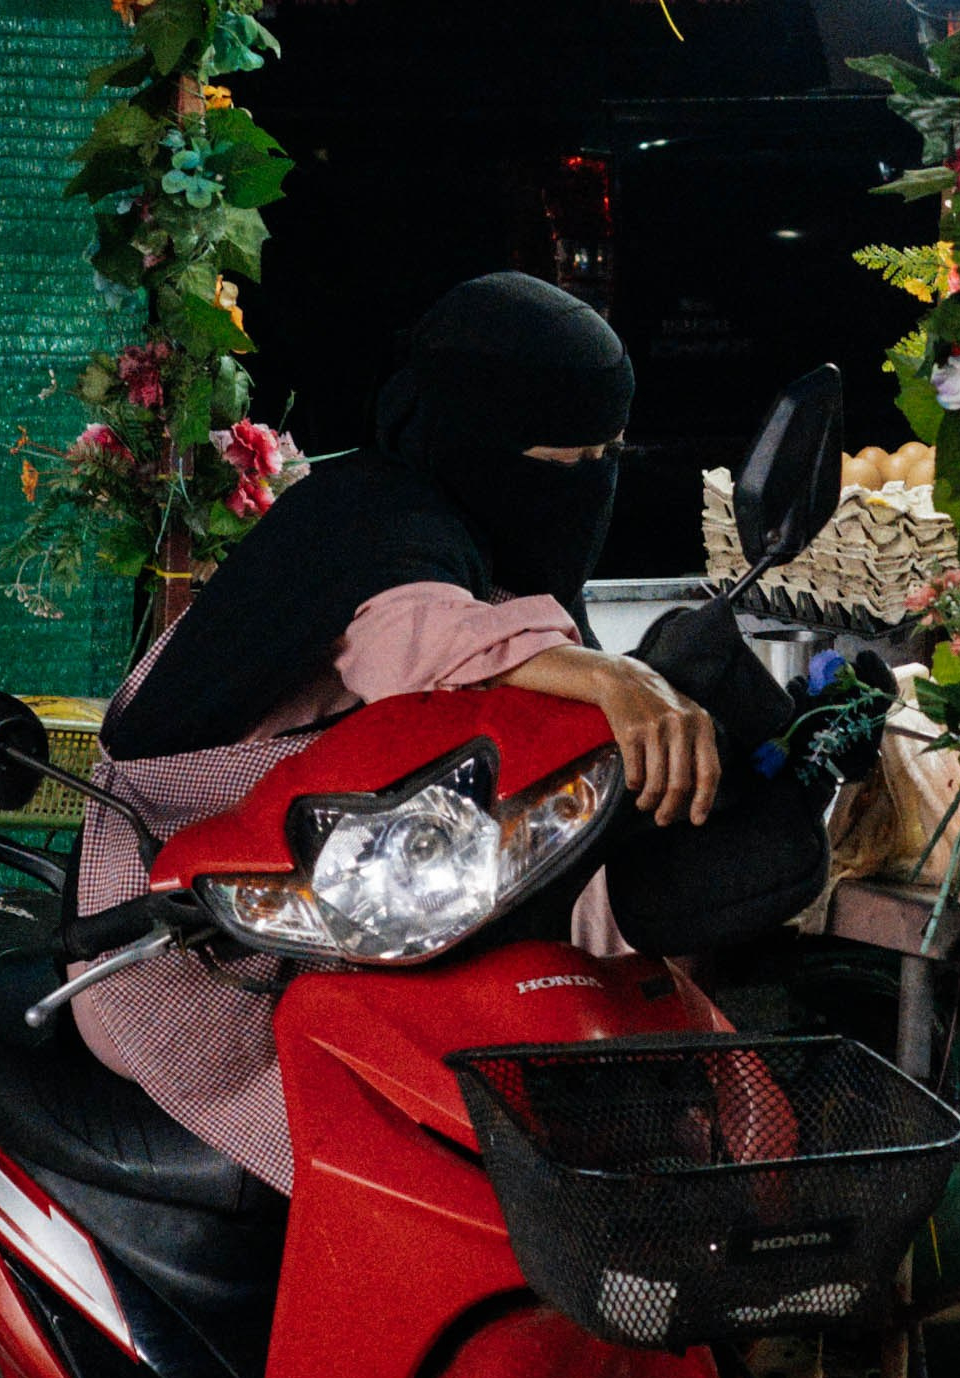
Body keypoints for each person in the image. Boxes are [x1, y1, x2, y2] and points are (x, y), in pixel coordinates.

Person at [69, 273, 717, 1190]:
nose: (586, 489)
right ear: (473, 440)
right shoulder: (369, 524)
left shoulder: (488, 540)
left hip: (364, 918)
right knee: (388, 1167)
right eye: (560, 463)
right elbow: (412, 641)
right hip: (190, 950)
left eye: (606, 457)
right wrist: (618, 677)